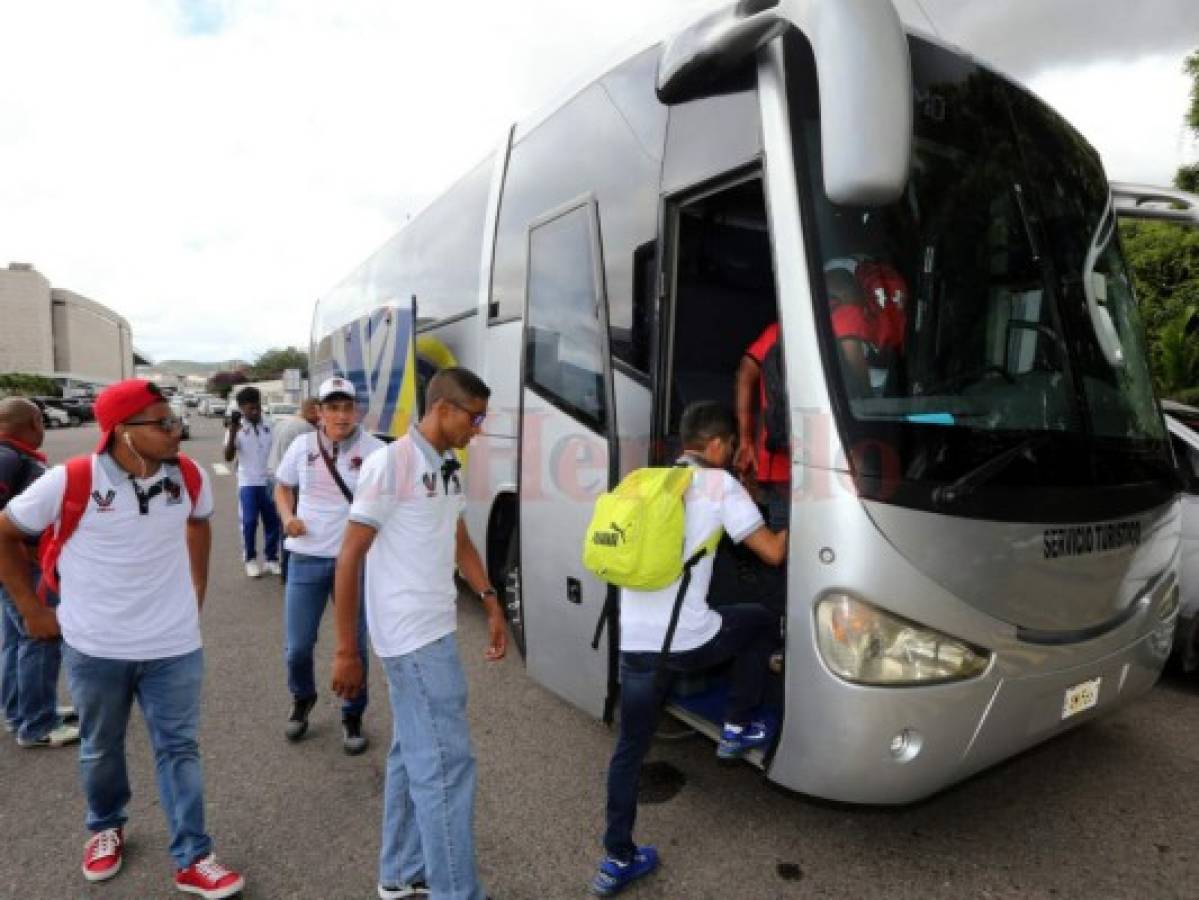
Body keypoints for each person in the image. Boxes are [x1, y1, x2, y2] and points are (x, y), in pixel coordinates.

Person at [0, 379, 244, 898]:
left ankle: (193, 857)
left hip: (174, 646)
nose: (176, 430)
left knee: (179, 749)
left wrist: (196, 587)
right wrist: (30, 609)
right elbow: (4, 531)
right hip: (95, 648)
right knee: (100, 747)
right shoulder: (70, 481)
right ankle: (105, 826)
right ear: (122, 432)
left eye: (173, 418)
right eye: (162, 422)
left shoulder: (190, 476)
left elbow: (199, 524)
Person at [591, 401, 788, 898]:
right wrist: (800, 513)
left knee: (630, 751)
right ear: (718, 446)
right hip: (686, 640)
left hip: (633, 640)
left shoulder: (644, 479)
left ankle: (616, 858)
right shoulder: (721, 485)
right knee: (761, 622)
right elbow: (772, 552)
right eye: (731, 447)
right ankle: (738, 727)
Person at [332, 366, 506, 900]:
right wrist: (346, 650)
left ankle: (401, 872)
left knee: (413, 754)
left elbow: (458, 539)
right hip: (412, 639)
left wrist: (490, 599)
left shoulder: (448, 464)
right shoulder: (393, 463)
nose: (477, 428)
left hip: (435, 627)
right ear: (443, 409)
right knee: (448, 772)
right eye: (473, 417)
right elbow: (349, 554)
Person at [274, 378, 383, 754]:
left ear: (356, 410)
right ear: (318, 412)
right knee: (297, 647)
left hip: (353, 563)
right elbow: (282, 487)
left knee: (354, 645)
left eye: (346, 407)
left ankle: (353, 714)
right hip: (305, 557)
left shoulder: (375, 451)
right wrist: (288, 516)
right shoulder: (302, 446)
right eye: (331, 407)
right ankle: (302, 697)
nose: (340, 415)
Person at [0, 397, 79, 748]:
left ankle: (22, 711)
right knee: (40, 637)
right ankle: (37, 724)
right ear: (33, 423)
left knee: (16, 640)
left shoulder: (12, 456)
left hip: (15, 565)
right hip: (20, 566)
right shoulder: (8, 458)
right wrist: (30, 556)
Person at [735, 322, 792, 530]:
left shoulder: (780, 329)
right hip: (829, 457)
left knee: (785, 542)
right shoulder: (846, 318)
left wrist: (746, 439)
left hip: (779, 462)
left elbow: (745, 372)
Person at [224, 386, 281, 578]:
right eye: (250, 409)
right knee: (249, 522)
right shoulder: (236, 428)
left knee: (272, 522)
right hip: (248, 482)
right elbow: (228, 456)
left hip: (270, 481)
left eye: (257, 407)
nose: (255, 412)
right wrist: (232, 431)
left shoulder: (271, 425)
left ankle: (271, 559)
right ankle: (250, 559)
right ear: (242, 408)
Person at [267, 397, 320, 583]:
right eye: (319, 412)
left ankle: (284, 570)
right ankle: (290, 573)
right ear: (313, 411)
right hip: (291, 485)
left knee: (284, 525)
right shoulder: (307, 430)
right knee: (295, 528)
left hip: (273, 479)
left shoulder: (282, 424)